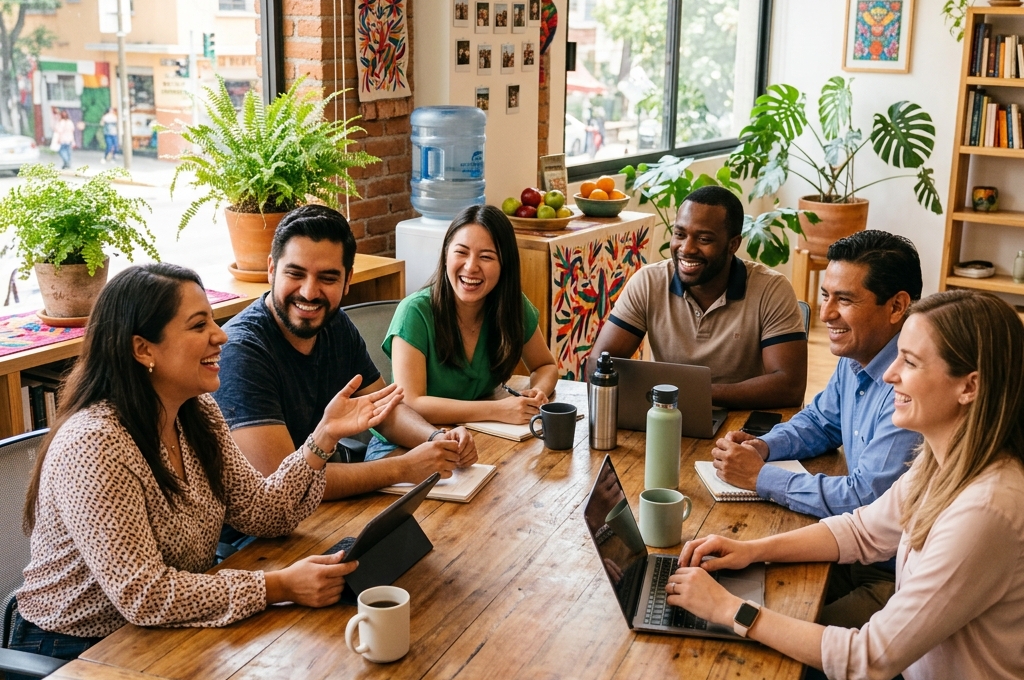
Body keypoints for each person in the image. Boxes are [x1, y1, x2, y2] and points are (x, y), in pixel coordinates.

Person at [665, 290, 1024, 680]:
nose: (889, 376)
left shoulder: (989, 508)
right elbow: (862, 531)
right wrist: (751, 550)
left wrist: (733, 612)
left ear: (969, 386)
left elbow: (867, 658)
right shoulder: (948, 461)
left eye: (911, 362)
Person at [9, 263, 400, 680]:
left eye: (213, 319)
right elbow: (144, 594)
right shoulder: (95, 443)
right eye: (199, 325)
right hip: (74, 651)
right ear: (143, 349)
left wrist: (323, 437)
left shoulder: (198, 412)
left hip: (167, 632)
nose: (222, 335)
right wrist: (279, 586)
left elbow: (262, 512)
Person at [712, 230, 924, 627]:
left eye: (844, 300)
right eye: (826, 295)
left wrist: (761, 478)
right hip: (853, 547)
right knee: (733, 587)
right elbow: (821, 421)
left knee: (767, 638)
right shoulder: (858, 354)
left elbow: (865, 498)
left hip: (892, 577)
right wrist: (764, 446)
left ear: (896, 306)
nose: (825, 314)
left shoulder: (911, 387)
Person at [214, 205, 477, 499]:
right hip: (255, 536)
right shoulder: (242, 351)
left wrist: (438, 439)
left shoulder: (335, 324)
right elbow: (282, 483)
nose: (309, 292)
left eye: (327, 278)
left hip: (322, 508)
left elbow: (383, 410)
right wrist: (403, 468)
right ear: (272, 269)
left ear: (347, 280)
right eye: (295, 273)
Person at [590, 185, 807, 409]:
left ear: (733, 244)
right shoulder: (648, 282)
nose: (687, 248)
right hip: (666, 415)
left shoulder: (771, 289)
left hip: (741, 424)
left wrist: (693, 393)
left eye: (703, 239)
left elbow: (789, 386)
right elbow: (599, 364)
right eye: (680, 234)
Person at [385, 204, 559, 426]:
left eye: (486, 257)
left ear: (505, 265)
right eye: (461, 252)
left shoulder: (512, 306)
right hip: (408, 443)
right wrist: (497, 410)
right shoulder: (415, 312)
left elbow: (545, 366)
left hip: (477, 433)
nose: (471, 267)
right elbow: (410, 402)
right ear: (446, 254)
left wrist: (537, 392)